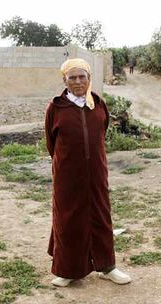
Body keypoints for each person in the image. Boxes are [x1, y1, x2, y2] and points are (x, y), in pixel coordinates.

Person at [45, 58, 131, 287]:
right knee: (68, 218)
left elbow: (101, 135)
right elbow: (51, 143)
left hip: (97, 173)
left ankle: (107, 267)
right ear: (64, 80)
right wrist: (68, 164)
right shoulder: (56, 107)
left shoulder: (99, 104)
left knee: (101, 216)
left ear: (89, 78)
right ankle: (68, 270)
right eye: (72, 77)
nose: (78, 81)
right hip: (67, 175)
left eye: (82, 76)